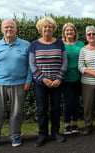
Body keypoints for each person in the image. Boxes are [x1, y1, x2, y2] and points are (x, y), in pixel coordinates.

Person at [0, 19, 32, 151]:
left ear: (16, 29)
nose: (9, 29)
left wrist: (28, 80)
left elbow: (30, 65)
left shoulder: (26, 45)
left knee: (16, 112)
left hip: (19, 84)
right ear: (1, 29)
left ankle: (15, 136)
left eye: (12, 27)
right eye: (6, 27)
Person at [29, 16, 67, 147]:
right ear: (40, 29)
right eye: (45, 26)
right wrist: (43, 78)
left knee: (56, 108)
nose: (47, 29)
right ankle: (42, 134)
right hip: (41, 83)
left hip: (57, 83)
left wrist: (59, 78)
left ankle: (55, 132)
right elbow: (32, 64)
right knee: (42, 109)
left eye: (50, 27)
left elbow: (65, 61)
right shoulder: (34, 44)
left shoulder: (59, 43)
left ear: (53, 29)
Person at [78, 25, 95, 135]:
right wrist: (94, 73)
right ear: (86, 36)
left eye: (93, 34)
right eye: (89, 34)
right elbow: (80, 66)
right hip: (87, 82)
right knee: (88, 106)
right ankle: (88, 126)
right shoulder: (83, 50)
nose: (91, 36)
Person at [61, 23, 85, 135]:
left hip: (79, 77)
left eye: (71, 30)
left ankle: (75, 123)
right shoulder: (60, 44)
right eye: (67, 30)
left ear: (75, 32)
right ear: (64, 32)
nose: (69, 32)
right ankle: (67, 124)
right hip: (65, 78)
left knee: (76, 102)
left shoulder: (81, 44)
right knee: (68, 102)